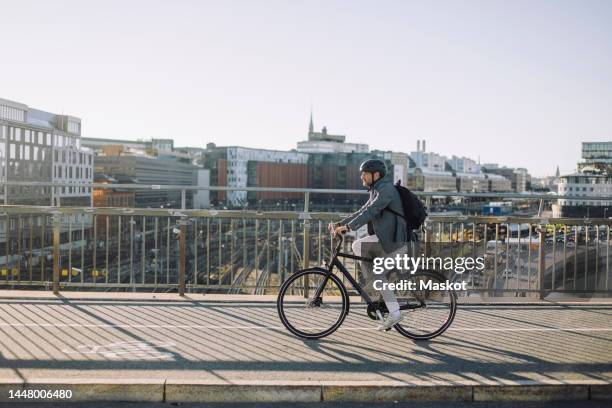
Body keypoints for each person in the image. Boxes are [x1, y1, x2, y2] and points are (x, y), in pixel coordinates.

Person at [334, 159, 408, 331]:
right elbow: (362, 211)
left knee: (377, 272)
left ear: (376, 175)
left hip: (395, 242)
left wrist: (348, 227)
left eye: (364, 173)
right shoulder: (377, 189)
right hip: (386, 240)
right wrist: (340, 224)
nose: (361, 176)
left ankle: (395, 312)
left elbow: (371, 211)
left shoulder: (386, 190)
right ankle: (375, 287)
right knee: (358, 246)